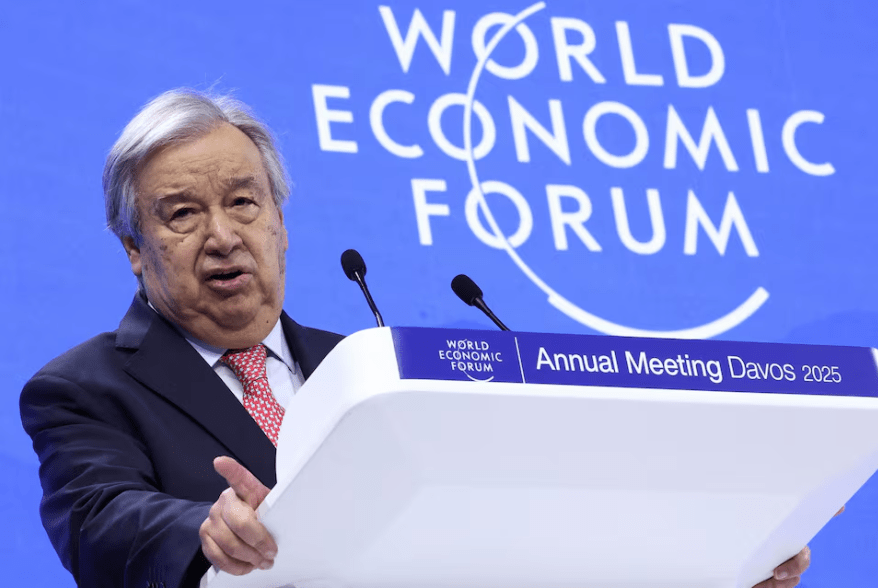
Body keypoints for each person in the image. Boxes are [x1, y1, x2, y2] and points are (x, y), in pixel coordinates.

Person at [19, 89, 814, 588]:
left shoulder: (371, 368)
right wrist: (204, 529)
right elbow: (101, 521)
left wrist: (713, 563)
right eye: (182, 214)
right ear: (134, 248)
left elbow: (510, 523)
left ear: (281, 221)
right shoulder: (83, 388)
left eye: (243, 202)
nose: (223, 235)